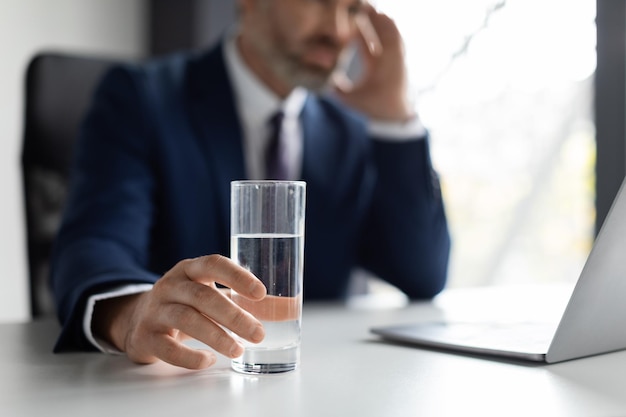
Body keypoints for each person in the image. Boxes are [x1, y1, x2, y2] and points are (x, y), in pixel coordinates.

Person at [51, 0, 451, 370]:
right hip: (183, 387)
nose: (338, 29)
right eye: (319, 1)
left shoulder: (349, 130)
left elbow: (422, 274)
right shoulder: (142, 98)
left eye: (351, 8)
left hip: (316, 387)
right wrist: (131, 314)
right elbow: (94, 244)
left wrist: (395, 121)